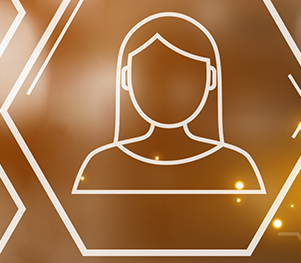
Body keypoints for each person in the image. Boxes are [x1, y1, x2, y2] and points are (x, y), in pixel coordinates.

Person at [72, 12, 264, 195]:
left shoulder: (235, 164)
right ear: (126, 79)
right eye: (157, 75)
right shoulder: (105, 163)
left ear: (210, 79)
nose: (169, 92)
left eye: (184, 77)